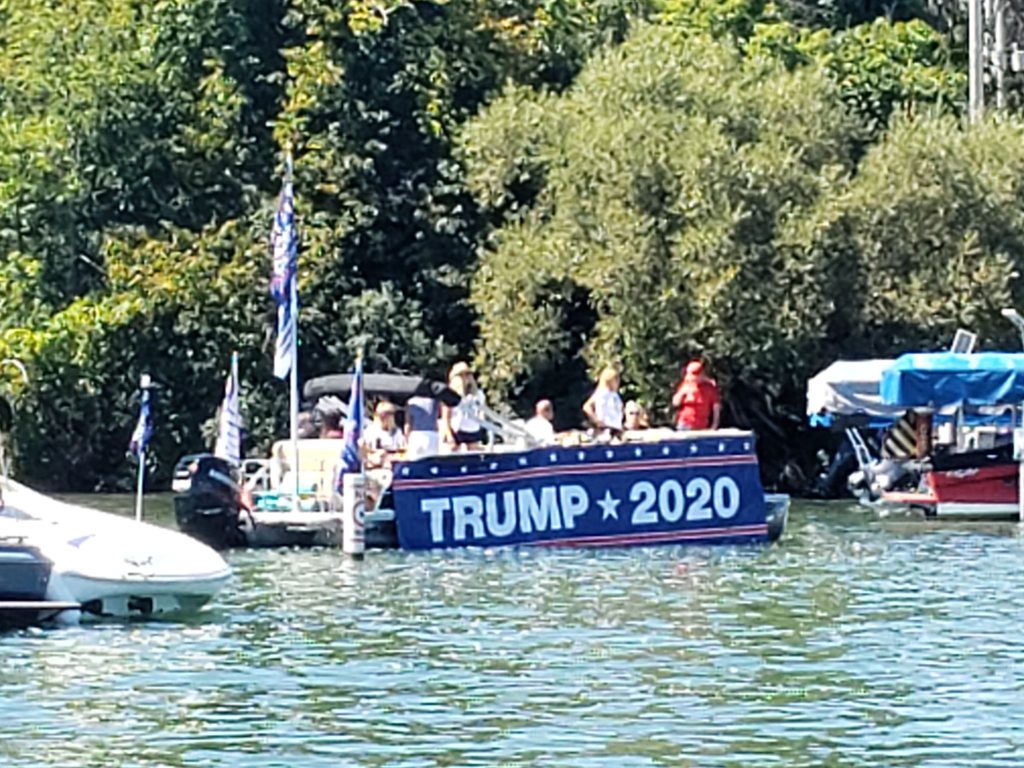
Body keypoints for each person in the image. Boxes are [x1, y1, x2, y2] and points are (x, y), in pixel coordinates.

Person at [442, 361, 486, 450]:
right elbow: (445, 417)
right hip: (456, 428)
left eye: (468, 374)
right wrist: (449, 435)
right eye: (462, 375)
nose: (465, 378)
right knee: (454, 458)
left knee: (473, 457)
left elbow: (482, 411)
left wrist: (482, 425)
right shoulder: (450, 394)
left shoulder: (478, 394)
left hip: (473, 428)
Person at [672, 360, 721, 430]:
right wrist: (682, 393)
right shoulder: (686, 384)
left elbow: (716, 408)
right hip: (685, 423)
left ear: (701, 374)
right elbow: (675, 403)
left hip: (701, 425)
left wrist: (714, 425)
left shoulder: (710, 388)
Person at [582, 366, 623, 434]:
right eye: (616, 379)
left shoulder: (615, 395)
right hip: (606, 427)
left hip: (617, 427)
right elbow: (586, 406)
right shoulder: (601, 393)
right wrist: (597, 420)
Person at [405, 394, 440, 459]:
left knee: (414, 460)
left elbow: (408, 422)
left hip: (416, 434)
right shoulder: (435, 400)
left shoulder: (411, 401)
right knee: (431, 461)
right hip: (432, 433)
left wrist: (407, 437)